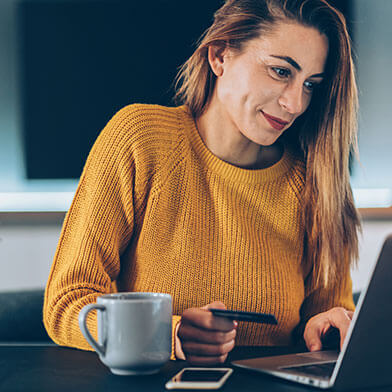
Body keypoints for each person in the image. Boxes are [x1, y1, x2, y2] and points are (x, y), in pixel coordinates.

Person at [43, 0, 361, 365]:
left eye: (310, 85)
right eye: (279, 71)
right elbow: (66, 301)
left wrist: (327, 325)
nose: (295, 103)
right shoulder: (140, 140)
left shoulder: (315, 179)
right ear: (220, 56)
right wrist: (168, 335)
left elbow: (328, 316)